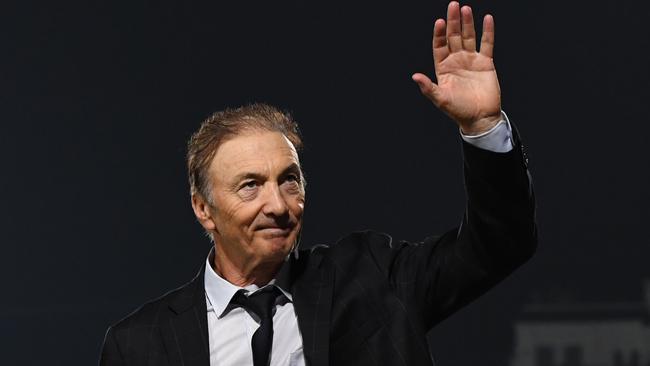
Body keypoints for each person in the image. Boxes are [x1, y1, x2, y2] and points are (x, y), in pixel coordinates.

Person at [99, 2, 537, 365]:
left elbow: (501, 244)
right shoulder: (139, 345)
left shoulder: (372, 279)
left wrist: (483, 126)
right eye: (250, 185)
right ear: (202, 208)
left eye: (289, 181)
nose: (277, 204)